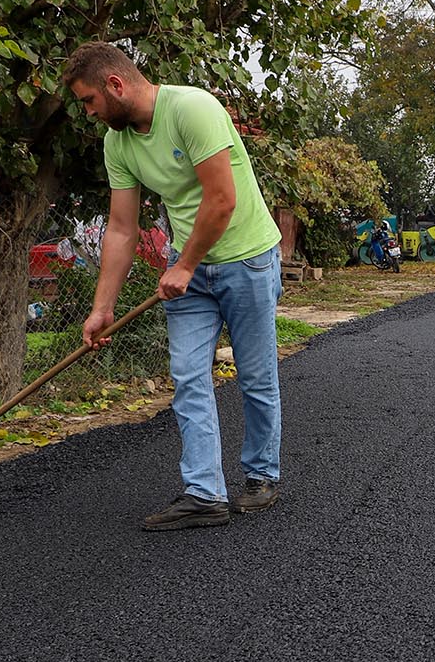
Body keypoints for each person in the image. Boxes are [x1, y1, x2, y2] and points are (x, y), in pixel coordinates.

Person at [62, 41, 284, 531]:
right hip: (188, 272)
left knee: (255, 375)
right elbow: (122, 228)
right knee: (188, 376)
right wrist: (103, 307)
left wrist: (183, 265)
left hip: (246, 258)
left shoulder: (193, 109)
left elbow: (222, 199)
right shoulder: (117, 143)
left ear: (114, 85)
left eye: (89, 101)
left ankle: (262, 475)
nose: (90, 113)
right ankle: (204, 493)